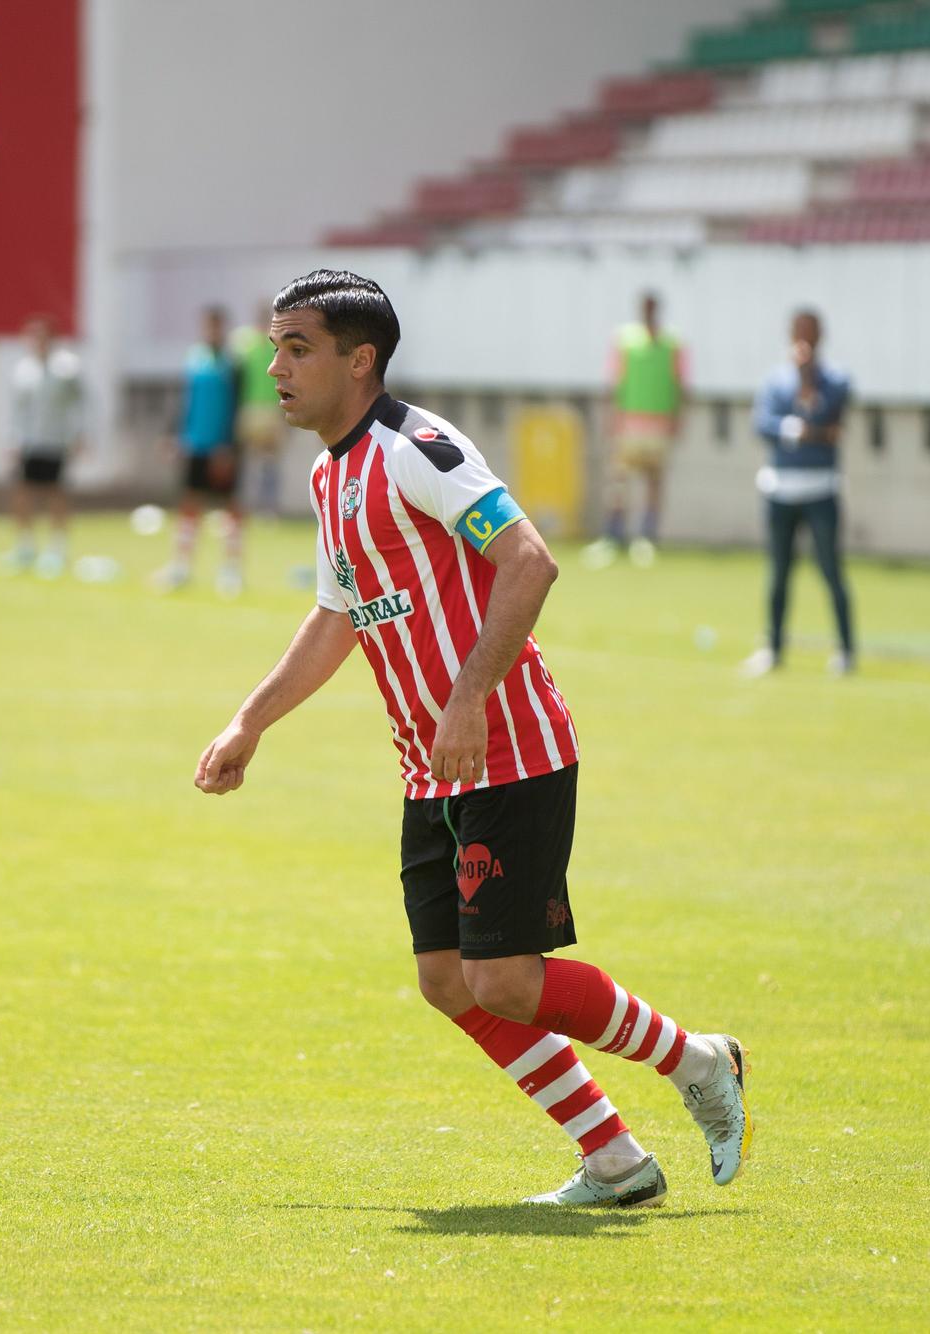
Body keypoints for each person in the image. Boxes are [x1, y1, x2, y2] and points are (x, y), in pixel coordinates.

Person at [192, 269, 749, 1209]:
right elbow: (338, 620)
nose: (276, 367)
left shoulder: (419, 447)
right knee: (449, 982)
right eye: (275, 347)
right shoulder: (332, 473)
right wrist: (251, 721)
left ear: (359, 361)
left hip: (509, 749)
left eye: (298, 349)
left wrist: (469, 698)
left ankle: (697, 1060)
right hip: (431, 770)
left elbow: (529, 560)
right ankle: (615, 1163)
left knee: (504, 979)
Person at [743, 309, 855, 678]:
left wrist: (809, 383)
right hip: (781, 488)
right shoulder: (775, 380)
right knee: (779, 573)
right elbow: (764, 424)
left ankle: (845, 649)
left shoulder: (834, 379)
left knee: (830, 570)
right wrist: (800, 431)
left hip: (820, 487)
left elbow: (830, 420)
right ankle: (773, 648)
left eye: (810, 332)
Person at [592, 291, 686, 567]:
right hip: (629, 421)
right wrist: (612, 418)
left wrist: (677, 419)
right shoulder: (625, 338)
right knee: (619, 480)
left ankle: (647, 536)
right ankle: (614, 535)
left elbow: (679, 383)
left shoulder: (671, 341)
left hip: (659, 422)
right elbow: (615, 380)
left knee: (653, 480)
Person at [157, 305, 245, 596]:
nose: (212, 332)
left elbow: (236, 407)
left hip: (222, 447)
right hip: (195, 444)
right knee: (190, 504)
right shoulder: (195, 360)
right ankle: (181, 567)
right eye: (208, 326)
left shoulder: (232, 364)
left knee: (229, 507)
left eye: (217, 326)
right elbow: (186, 402)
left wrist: (229, 446)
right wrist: (174, 435)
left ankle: (230, 572)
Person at [3, 314, 85, 578]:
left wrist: (79, 434)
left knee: (55, 493)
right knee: (23, 493)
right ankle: (25, 547)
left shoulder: (67, 369)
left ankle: (57, 549)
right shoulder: (22, 371)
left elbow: (83, 404)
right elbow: (16, 411)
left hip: (56, 440)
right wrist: (12, 440)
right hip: (30, 441)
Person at [230, 302, 288, 518]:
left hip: (271, 409)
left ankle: (267, 507)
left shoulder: (275, 344)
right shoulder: (245, 343)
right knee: (246, 462)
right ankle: (242, 505)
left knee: (269, 462)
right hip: (249, 409)